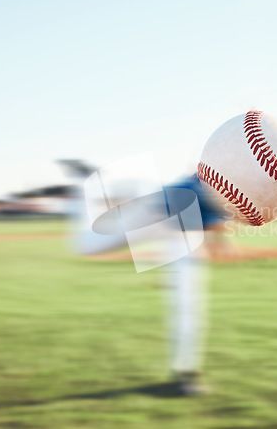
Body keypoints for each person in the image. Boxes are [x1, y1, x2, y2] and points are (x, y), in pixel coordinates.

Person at [58, 160, 225, 395]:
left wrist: (216, 237)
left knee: (189, 301)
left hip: (186, 229)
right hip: (156, 211)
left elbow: (216, 212)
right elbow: (208, 197)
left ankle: (186, 374)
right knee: (84, 245)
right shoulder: (231, 158)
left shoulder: (254, 174)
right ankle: (87, 182)